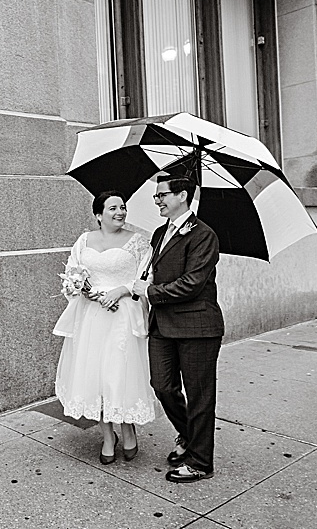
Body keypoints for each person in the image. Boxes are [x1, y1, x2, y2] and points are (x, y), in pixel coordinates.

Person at [53, 191, 158, 465]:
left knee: (118, 373)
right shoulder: (84, 240)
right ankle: (108, 436)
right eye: (113, 208)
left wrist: (121, 291)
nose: (120, 212)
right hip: (91, 318)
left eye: (123, 207)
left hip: (122, 316)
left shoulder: (138, 243)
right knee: (95, 375)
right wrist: (85, 291)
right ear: (99, 215)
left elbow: (145, 278)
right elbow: (73, 274)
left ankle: (127, 428)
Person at [131, 174, 224, 483]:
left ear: (182, 195)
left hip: (197, 326)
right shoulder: (159, 233)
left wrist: (150, 292)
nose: (157, 200)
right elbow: (154, 272)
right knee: (162, 386)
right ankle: (189, 436)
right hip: (162, 325)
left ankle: (200, 462)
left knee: (199, 396)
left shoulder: (204, 234)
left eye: (162, 195)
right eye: (156, 196)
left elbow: (192, 283)